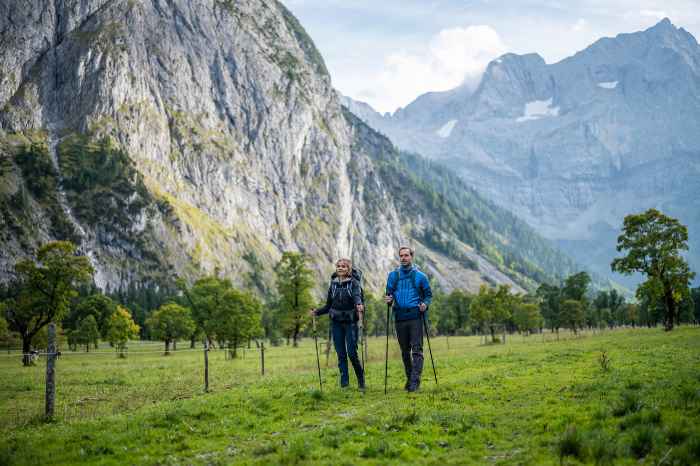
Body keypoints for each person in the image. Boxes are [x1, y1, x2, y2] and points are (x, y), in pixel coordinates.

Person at [310, 258, 365, 390]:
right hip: (336, 323)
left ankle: (360, 378)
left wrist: (359, 305)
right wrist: (317, 312)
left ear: (348, 269)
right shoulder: (333, 285)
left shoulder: (354, 284)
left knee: (352, 353)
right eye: (338, 266)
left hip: (350, 323)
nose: (340, 268)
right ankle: (344, 384)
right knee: (341, 354)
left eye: (344, 266)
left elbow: (357, 296)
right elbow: (329, 305)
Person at [384, 246, 432, 392]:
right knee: (405, 351)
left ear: (412, 256)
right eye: (401, 256)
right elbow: (388, 293)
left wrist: (425, 304)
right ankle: (410, 378)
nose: (404, 258)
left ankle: (414, 383)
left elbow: (428, 295)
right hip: (399, 316)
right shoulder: (393, 275)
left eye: (406, 255)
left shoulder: (421, 276)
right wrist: (388, 299)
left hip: (415, 316)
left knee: (417, 350)